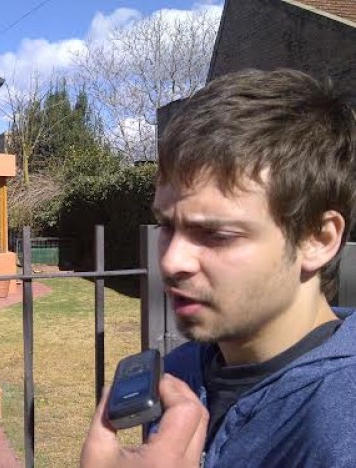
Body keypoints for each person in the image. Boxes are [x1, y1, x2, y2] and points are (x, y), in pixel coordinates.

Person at [81, 69, 356, 467]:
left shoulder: (341, 428)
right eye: (166, 225)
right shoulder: (178, 376)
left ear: (318, 238)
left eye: (216, 234)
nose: (171, 261)